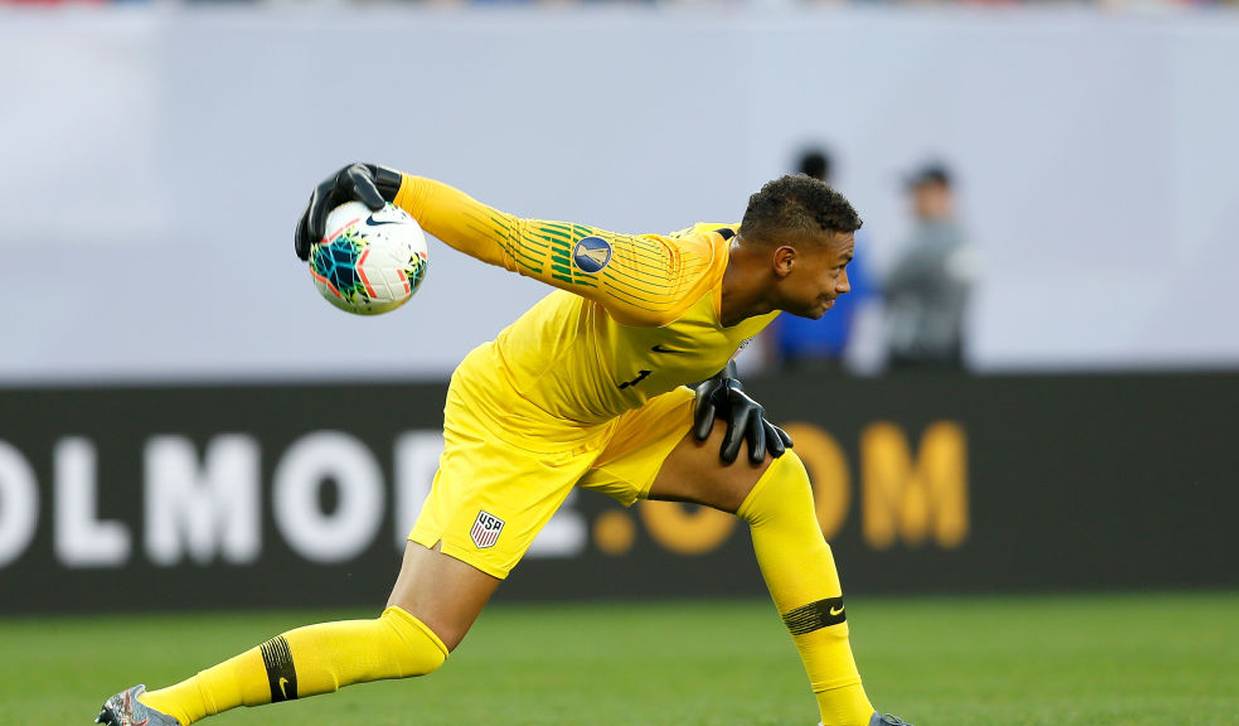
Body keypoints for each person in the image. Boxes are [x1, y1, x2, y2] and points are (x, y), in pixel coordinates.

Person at [95, 163, 912, 726]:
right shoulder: (654, 275)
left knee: (777, 481)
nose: (844, 285)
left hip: (611, 416)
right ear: (784, 258)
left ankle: (847, 715)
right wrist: (391, 186)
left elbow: (702, 328)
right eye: (837, 269)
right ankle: (161, 709)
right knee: (414, 641)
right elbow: (507, 237)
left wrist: (718, 381)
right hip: (516, 419)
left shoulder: (760, 281)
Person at [769, 148, 877, 373]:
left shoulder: (778, 234)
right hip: (829, 348)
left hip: (791, 350)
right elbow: (853, 300)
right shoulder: (847, 235)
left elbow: (766, 296)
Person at [883, 162, 973, 371]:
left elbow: (889, 283)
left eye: (922, 192)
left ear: (943, 194)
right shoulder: (949, 239)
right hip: (937, 350)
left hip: (922, 355)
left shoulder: (938, 242)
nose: (915, 200)